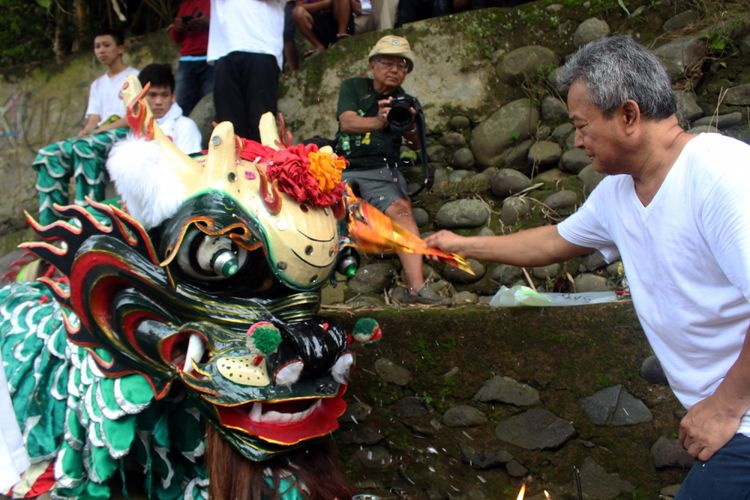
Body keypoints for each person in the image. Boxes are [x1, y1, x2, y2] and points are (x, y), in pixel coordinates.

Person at [425, 36, 750, 497]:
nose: (577, 140)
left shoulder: (721, 173)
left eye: (582, 125)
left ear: (629, 116)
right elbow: (554, 241)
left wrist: (724, 406)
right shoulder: (619, 193)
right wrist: (461, 244)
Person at [335, 35, 447, 305]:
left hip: (382, 170)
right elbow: (347, 123)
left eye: (402, 65)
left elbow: (415, 144)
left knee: (402, 212)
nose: (395, 69)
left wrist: (407, 123)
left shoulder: (407, 101)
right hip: (342, 166)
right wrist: (379, 120)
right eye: (387, 62)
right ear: (373, 65)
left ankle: (416, 289)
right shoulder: (354, 87)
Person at [32, 28, 138, 226]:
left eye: (107, 45)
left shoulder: (134, 77)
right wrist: (86, 131)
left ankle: (90, 218)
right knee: (48, 155)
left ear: (120, 48)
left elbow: (132, 117)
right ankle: (53, 224)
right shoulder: (97, 84)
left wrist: (97, 132)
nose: (101, 51)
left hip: (125, 134)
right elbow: (94, 118)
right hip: (98, 135)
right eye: (97, 47)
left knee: (84, 147)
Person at [207, 0, 285, 142]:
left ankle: (263, 163)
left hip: (262, 48)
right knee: (229, 132)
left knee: (263, 128)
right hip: (224, 50)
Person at [136, 64, 202, 154]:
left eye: (164, 95)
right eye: (152, 95)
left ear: (173, 96)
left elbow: (190, 165)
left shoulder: (185, 126)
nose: (158, 102)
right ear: (140, 96)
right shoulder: (134, 127)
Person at [169, 0, 214, 116]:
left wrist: (208, 23)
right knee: (180, 107)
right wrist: (178, 28)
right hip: (187, 60)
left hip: (210, 58)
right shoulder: (185, 4)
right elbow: (176, 38)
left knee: (209, 107)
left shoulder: (217, 3)